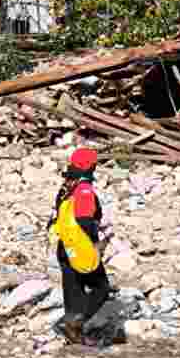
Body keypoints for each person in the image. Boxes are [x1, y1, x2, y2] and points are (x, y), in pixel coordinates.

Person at [50, 146, 111, 345]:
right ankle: (75, 323)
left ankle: (73, 332)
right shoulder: (84, 189)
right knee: (101, 287)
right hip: (79, 247)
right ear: (91, 167)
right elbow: (84, 220)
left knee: (73, 289)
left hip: (64, 245)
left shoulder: (67, 185)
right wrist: (96, 245)